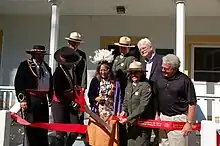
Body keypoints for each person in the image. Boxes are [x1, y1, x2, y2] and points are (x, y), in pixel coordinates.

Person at [153, 54, 197, 146]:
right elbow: (155, 97)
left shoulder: (185, 81)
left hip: (178, 119)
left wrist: (189, 123)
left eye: (166, 69)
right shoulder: (159, 77)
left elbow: (192, 103)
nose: (163, 70)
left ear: (175, 68)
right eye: (162, 67)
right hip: (162, 118)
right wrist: (156, 115)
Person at [14, 45, 53, 146]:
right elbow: (19, 83)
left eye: (43, 54)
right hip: (31, 99)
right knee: (31, 126)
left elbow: (51, 84)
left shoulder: (46, 67)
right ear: (34, 54)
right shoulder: (25, 65)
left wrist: (50, 97)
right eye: (39, 54)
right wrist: (22, 100)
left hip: (43, 100)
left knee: (43, 126)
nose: (41, 56)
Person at [87, 49, 121, 146]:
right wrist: (95, 98)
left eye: (105, 70)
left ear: (109, 70)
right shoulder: (95, 81)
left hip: (110, 112)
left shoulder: (115, 82)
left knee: (108, 137)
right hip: (98, 113)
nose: (103, 72)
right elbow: (90, 95)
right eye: (101, 70)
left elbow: (119, 97)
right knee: (98, 136)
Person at [52, 46, 82, 146]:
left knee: (75, 129)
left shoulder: (73, 70)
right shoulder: (58, 73)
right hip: (59, 103)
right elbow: (59, 92)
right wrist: (70, 102)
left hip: (71, 102)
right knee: (60, 134)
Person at [119, 61, 152, 146]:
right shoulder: (129, 85)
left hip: (142, 125)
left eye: (136, 72)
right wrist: (123, 111)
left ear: (141, 73)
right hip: (131, 126)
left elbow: (143, 106)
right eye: (131, 72)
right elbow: (125, 101)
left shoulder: (145, 86)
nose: (133, 75)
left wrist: (128, 118)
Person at [137, 38, 163, 145]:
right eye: (140, 49)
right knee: (145, 130)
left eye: (144, 48)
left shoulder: (161, 60)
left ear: (151, 47)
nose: (142, 51)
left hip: (159, 99)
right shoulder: (141, 63)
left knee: (159, 130)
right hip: (145, 101)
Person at [112, 36, 136, 146]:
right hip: (116, 88)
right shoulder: (116, 58)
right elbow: (112, 71)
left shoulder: (131, 59)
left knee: (123, 112)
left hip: (124, 87)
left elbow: (128, 73)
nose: (122, 49)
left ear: (129, 48)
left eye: (125, 47)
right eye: (121, 47)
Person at [65, 32, 87, 140]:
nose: (74, 44)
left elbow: (84, 71)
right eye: (73, 42)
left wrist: (83, 86)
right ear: (69, 42)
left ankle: (80, 129)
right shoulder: (64, 53)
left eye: (77, 43)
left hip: (78, 85)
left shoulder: (82, 55)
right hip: (67, 86)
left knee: (79, 107)